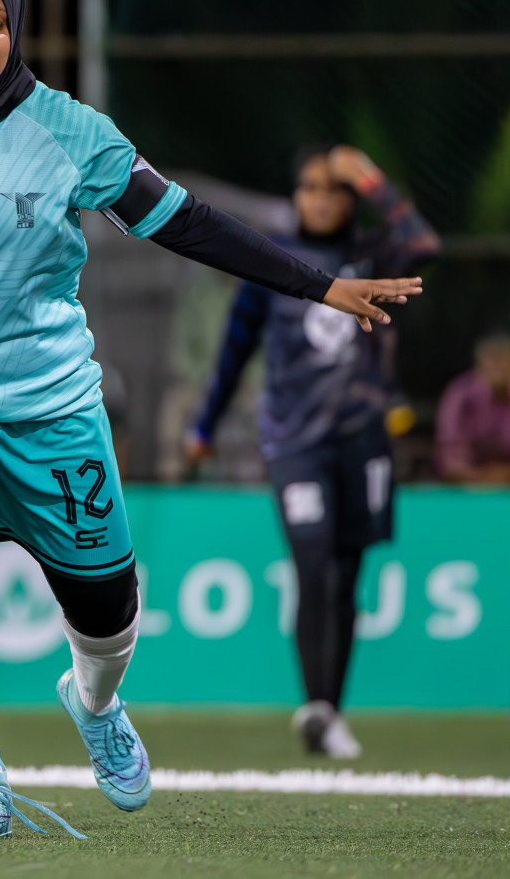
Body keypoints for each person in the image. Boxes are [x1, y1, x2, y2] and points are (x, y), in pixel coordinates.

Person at [0, 0, 422, 839]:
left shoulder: (70, 132)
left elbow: (185, 221)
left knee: (106, 603)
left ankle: (97, 706)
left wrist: (317, 283)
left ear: (16, 34)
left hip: (43, 395)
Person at [187, 144, 437, 759]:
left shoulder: (372, 256)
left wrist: (374, 179)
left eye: (334, 190)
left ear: (350, 199)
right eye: (309, 188)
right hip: (293, 441)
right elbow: (235, 347)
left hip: (363, 438)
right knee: (313, 561)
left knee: (348, 573)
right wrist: (204, 426)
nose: (320, 199)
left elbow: (424, 246)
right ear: (295, 195)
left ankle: (330, 710)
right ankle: (315, 705)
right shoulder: (274, 261)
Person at [436, 332, 510, 483]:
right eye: (492, 360)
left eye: (503, 359)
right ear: (479, 363)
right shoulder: (461, 393)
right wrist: (481, 477)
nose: (498, 367)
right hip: (468, 487)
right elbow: (449, 454)